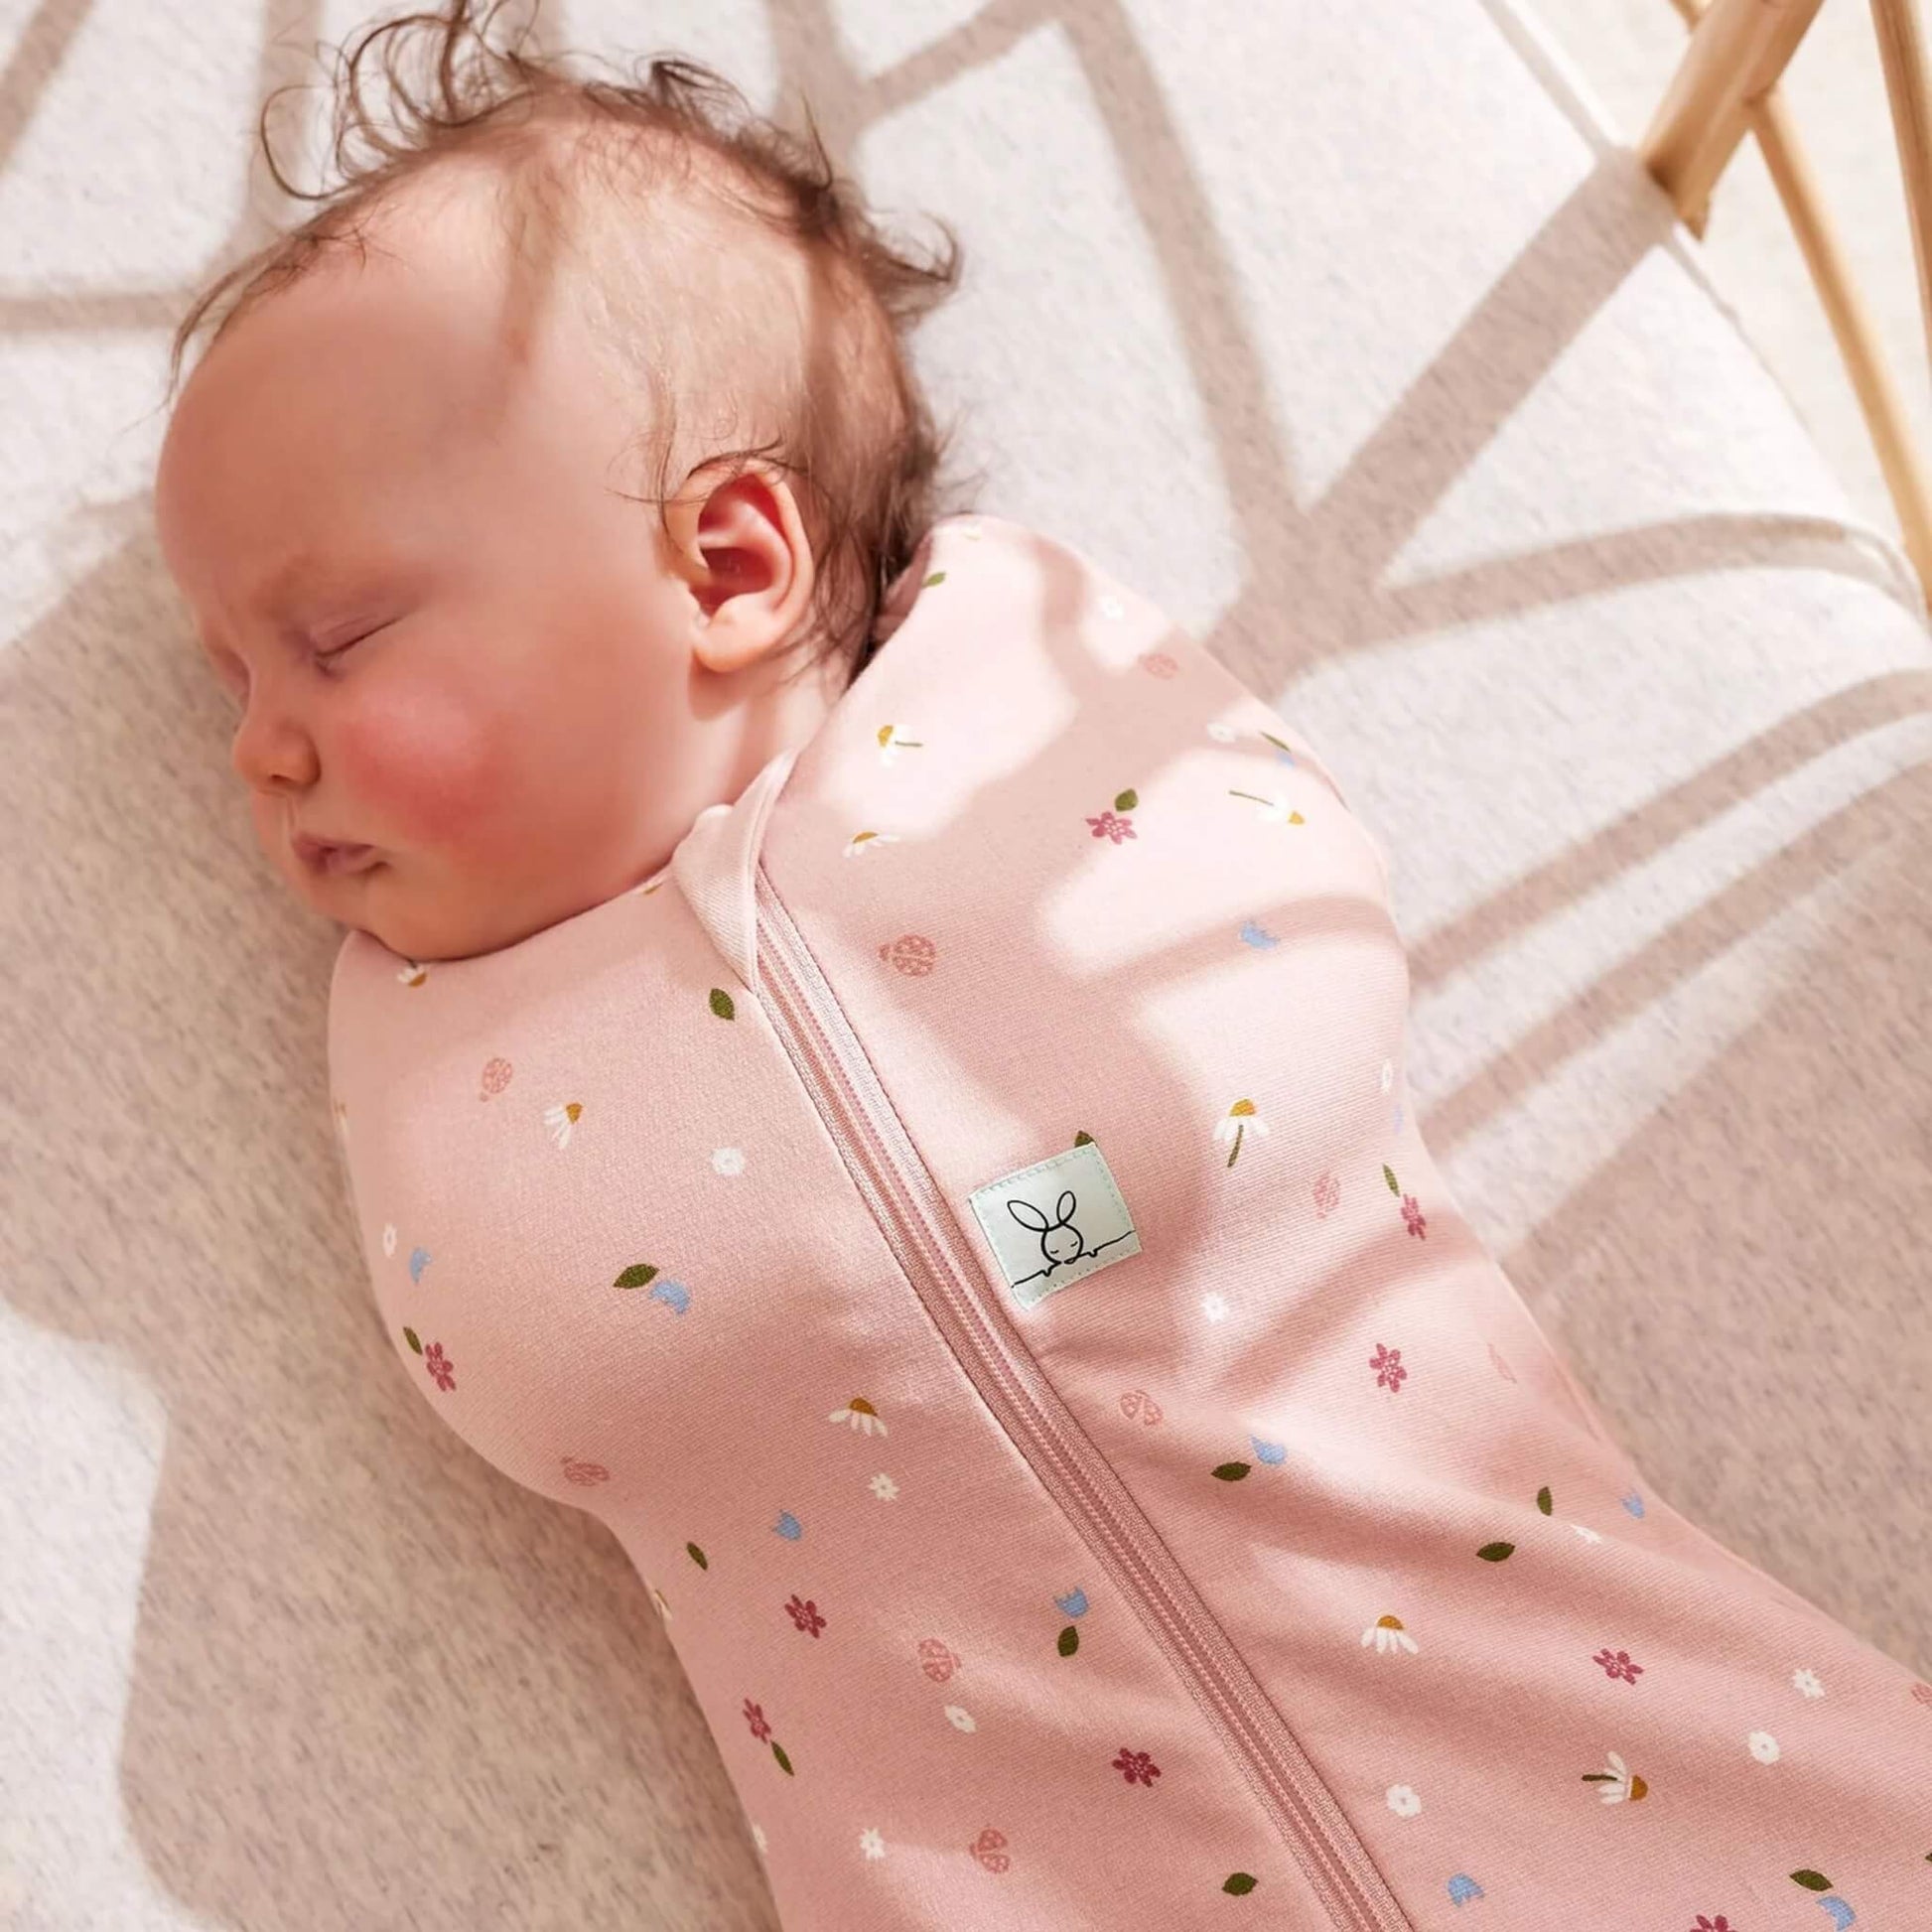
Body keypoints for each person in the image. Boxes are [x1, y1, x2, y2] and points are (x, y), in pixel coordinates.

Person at [157, 7, 1932, 1930]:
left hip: (1664, 1779)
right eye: (231, 683)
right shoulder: (433, 1042)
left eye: (335, 637)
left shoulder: (1026, 691)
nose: (260, 744)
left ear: (735, 562)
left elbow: (1285, 994)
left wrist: (1017, 1228)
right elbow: (544, 1360)